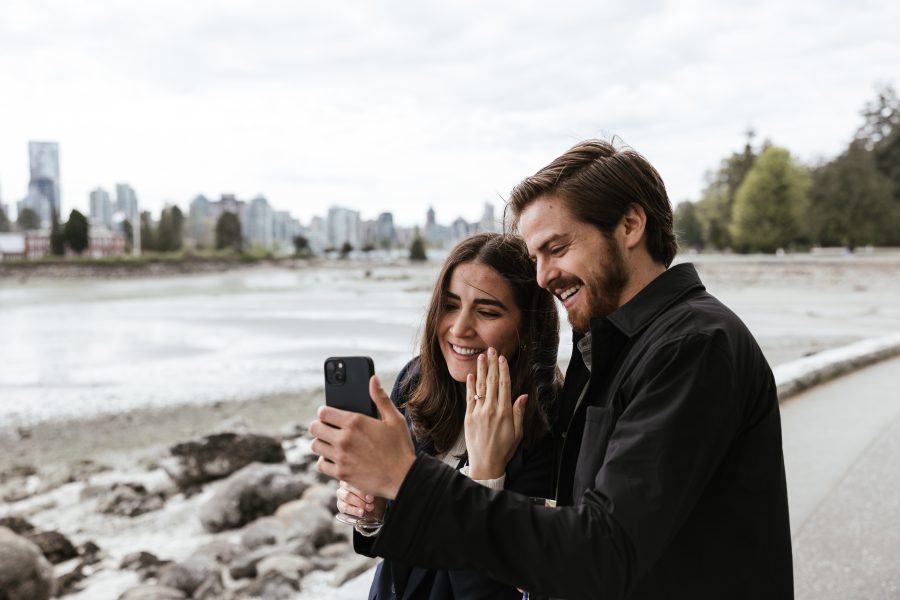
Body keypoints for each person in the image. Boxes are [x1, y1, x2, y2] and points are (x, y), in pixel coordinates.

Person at [311, 140, 793, 599]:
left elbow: (604, 549)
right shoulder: (611, 349)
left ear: (629, 226)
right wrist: (379, 513)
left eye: (557, 249)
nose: (542, 276)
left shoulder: (693, 346)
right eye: (536, 256)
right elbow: (571, 525)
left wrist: (409, 479)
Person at [336, 232, 563, 599]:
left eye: (487, 311)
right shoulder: (416, 381)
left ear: (528, 327)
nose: (459, 329)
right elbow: (397, 547)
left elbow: (490, 593)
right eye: (451, 305)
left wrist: (486, 477)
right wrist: (373, 515)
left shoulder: (549, 427)